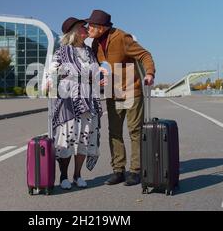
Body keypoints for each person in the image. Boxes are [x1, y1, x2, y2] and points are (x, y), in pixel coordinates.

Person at [85, 10, 155, 186]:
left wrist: (150, 73)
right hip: (112, 93)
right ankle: (118, 170)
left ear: (101, 28)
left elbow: (145, 54)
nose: (88, 28)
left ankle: (136, 170)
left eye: (91, 25)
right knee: (114, 133)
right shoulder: (95, 43)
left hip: (132, 90)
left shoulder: (122, 37)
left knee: (135, 131)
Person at [44, 17, 103, 190]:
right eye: (82, 27)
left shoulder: (90, 52)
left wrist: (100, 79)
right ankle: (63, 176)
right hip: (68, 101)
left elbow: (96, 74)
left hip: (88, 100)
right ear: (74, 33)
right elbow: (52, 71)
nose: (86, 29)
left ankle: (77, 175)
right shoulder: (62, 52)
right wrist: (49, 81)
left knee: (84, 138)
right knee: (67, 139)